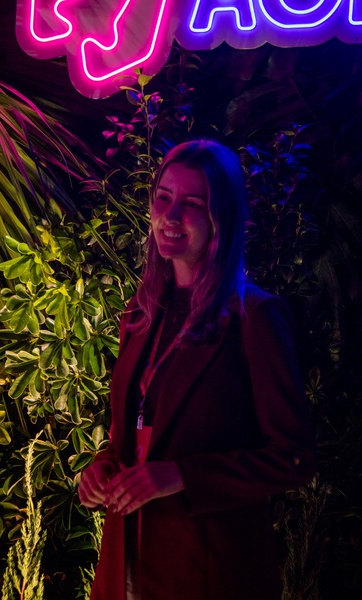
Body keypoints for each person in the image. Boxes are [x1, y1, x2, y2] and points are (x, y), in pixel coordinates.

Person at [78, 139, 316, 600]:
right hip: (124, 568)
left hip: (207, 573)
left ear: (221, 218)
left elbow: (294, 457)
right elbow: (129, 434)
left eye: (191, 204)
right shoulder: (140, 314)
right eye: (163, 198)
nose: (170, 216)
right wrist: (102, 466)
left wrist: (183, 476)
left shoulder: (255, 318)